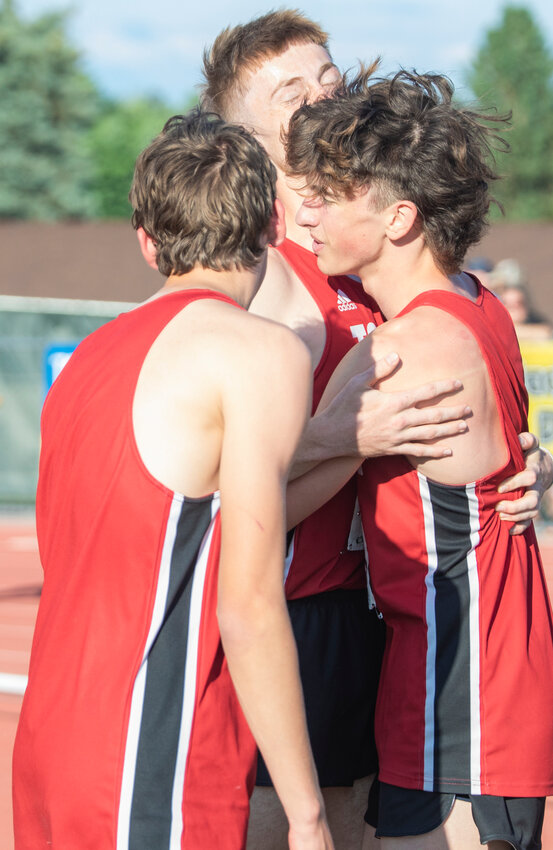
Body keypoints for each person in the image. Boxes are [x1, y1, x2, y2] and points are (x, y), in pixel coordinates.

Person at [201, 11, 553, 848]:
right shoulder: (257, 277)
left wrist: (524, 459)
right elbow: (208, 497)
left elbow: (475, 407)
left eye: (329, 74)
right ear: (246, 139)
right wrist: (342, 437)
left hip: (407, 628)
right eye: (294, 92)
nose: (326, 93)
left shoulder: (393, 265)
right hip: (305, 613)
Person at [12, 110, 334, 850]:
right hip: (148, 755)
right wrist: (305, 812)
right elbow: (246, 602)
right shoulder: (259, 352)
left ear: (146, 240)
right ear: (271, 227)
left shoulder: (89, 358)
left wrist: (347, 444)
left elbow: (190, 532)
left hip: (53, 744)